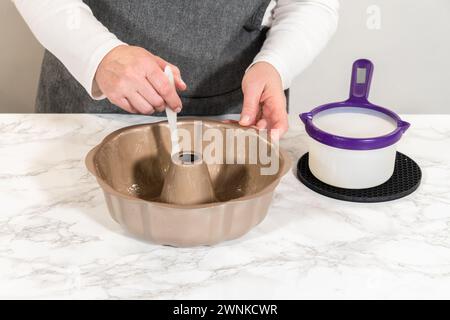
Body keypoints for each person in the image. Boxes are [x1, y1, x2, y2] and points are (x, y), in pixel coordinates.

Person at [14, 0, 339, 139]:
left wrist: (276, 64)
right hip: (86, 111)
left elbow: (310, 3)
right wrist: (100, 56)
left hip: (234, 120)